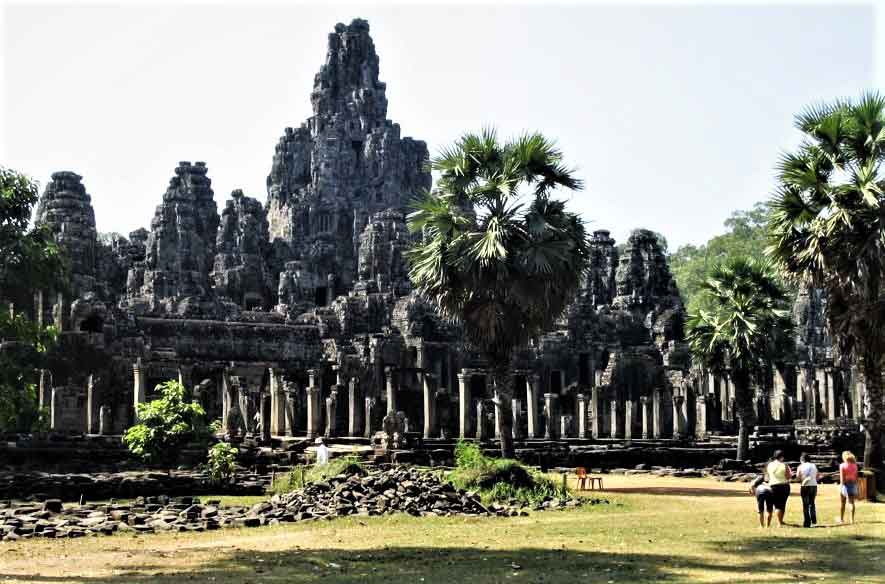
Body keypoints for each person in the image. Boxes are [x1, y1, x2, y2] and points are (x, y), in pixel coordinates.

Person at [766, 450, 792, 527]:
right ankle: (779, 522)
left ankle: (780, 521)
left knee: (776, 504)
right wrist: (790, 475)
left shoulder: (769, 465)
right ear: (782, 457)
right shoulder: (784, 465)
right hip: (783, 485)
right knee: (781, 505)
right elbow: (788, 476)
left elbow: (768, 476)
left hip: (772, 485)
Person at [796, 452, 820, 528]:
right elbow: (818, 476)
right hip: (814, 485)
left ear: (802, 459)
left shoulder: (800, 466)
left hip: (805, 485)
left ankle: (807, 522)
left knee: (805, 505)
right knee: (812, 503)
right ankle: (814, 521)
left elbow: (798, 477)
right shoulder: (814, 465)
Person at [839, 450, 859, 524]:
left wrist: (841, 487)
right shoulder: (855, 465)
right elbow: (856, 477)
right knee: (851, 502)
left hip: (845, 485)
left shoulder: (842, 465)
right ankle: (852, 520)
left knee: (842, 503)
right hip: (853, 484)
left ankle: (841, 519)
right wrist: (857, 486)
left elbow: (842, 478)